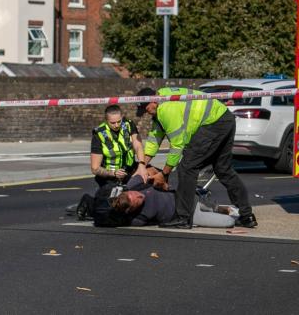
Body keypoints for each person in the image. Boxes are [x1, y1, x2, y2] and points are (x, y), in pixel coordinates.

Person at [134, 87, 257, 229]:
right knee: (223, 170)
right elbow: (154, 139)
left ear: (154, 100)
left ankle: (183, 218)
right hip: (224, 118)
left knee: (187, 168)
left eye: (146, 108)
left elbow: (177, 145)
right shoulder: (162, 99)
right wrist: (141, 165)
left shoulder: (167, 110)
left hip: (212, 123)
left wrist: (164, 173)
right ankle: (247, 216)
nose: (146, 112)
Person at [65, 104, 144, 215]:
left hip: (130, 171)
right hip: (110, 179)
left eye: (119, 121)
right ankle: (89, 202)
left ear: (122, 117)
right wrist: (114, 173)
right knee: (111, 209)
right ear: (106, 121)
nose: (116, 125)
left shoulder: (128, 125)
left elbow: (138, 145)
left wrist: (142, 165)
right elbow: (95, 168)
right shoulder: (99, 134)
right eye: (112, 123)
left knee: (147, 188)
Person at [110, 174, 236, 228]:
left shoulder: (134, 184)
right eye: (137, 202)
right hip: (188, 215)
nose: (140, 196)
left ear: (127, 191)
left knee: (209, 206)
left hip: (184, 197)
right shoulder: (138, 218)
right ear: (132, 209)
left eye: (135, 194)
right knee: (229, 222)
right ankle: (219, 211)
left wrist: (161, 180)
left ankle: (216, 208)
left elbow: (151, 171)